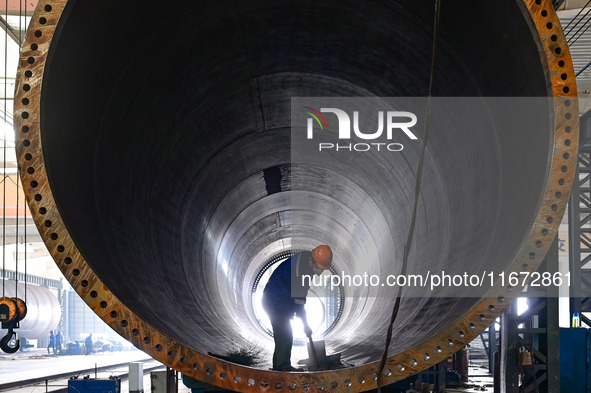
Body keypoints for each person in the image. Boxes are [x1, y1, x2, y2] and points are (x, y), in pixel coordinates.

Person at [262, 245, 333, 371]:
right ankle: (282, 367)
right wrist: (305, 325)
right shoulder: (300, 271)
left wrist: (303, 321)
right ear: (312, 261)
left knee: (283, 335)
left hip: (280, 300)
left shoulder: (305, 262)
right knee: (285, 334)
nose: (319, 271)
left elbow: (299, 299)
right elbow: (299, 304)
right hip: (274, 301)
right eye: (318, 267)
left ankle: (279, 366)